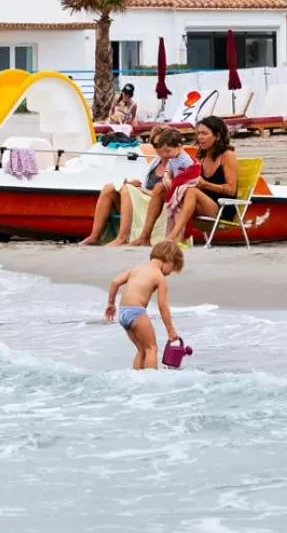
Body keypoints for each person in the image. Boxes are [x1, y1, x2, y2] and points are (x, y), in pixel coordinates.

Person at [80, 126, 191, 246]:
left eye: (162, 144)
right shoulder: (156, 162)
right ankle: (94, 236)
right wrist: (134, 185)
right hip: (145, 200)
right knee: (109, 188)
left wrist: (140, 190)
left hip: (159, 204)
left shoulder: (178, 162)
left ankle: (122, 238)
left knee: (128, 190)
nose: (159, 149)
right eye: (155, 145)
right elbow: (144, 183)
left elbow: (171, 194)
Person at [105, 240, 184, 370]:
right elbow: (163, 306)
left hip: (123, 312)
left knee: (141, 350)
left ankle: (137, 379)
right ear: (169, 258)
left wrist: (111, 303)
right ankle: (151, 381)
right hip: (136, 312)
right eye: (172, 268)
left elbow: (115, 282)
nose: (169, 273)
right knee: (151, 348)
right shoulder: (159, 277)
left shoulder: (136, 268)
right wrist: (170, 330)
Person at [166, 115, 238, 245]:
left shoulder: (227, 156)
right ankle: (145, 236)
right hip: (203, 204)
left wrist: (205, 184)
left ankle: (173, 237)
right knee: (164, 188)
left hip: (222, 207)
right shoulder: (202, 157)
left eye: (204, 134)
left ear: (217, 136)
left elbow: (231, 190)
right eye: (198, 133)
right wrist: (169, 176)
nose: (199, 138)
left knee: (191, 191)